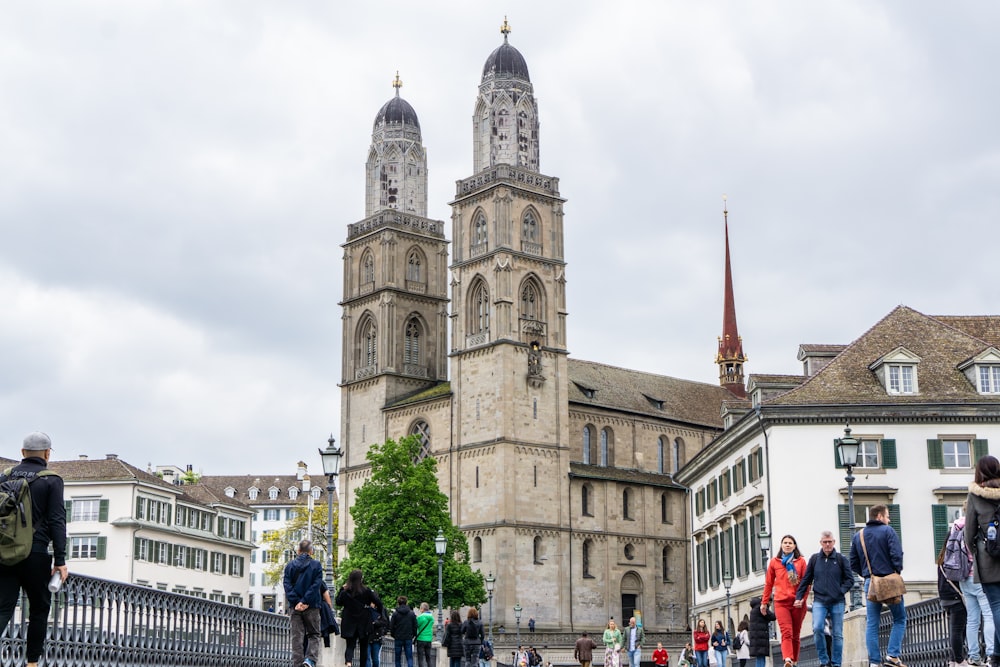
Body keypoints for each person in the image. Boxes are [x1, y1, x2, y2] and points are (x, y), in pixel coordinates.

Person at [0, 432, 67, 667]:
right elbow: (58, 520)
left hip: (5, 553)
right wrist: (60, 560)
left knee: (3, 606)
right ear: (47, 454)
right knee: (39, 607)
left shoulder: (4, 477)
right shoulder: (51, 480)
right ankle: (31, 663)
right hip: (36, 553)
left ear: (22, 453)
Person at [850, 505, 906, 667]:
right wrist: (896, 571)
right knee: (900, 618)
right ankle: (892, 655)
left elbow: (853, 562)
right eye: (887, 516)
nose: (889, 520)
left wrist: (867, 574)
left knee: (872, 623)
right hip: (890, 580)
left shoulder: (858, 536)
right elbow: (897, 554)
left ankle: (874, 662)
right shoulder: (888, 531)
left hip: (871, 582)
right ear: (880, 516)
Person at [794, 531, 853, 667]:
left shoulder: (840, 559)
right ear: (820, 543)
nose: (827, 544)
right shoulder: (815, 559)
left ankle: (836, 663)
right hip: (820, 600)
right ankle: (824, 660)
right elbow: (806, 580)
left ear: (834, 542)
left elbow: (849, 580)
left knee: (837, 633)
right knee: (817, 628)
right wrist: (799, 597)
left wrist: (841, 591)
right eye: (825, 542)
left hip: (837, 601)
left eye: (830, 542)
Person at [967, 456, 1000, 667]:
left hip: (988, 557)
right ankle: (996, 655)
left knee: (996, 605)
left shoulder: (975, 495)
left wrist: (976, 550)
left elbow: (968, 533)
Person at [953, 508, 996, 666]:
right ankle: (991, 653)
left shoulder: (956, 526)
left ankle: (974, 656)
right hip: (978, 575)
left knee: (972, 619)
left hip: (963, 577)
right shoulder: (976, 525)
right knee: (989, 615)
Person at [762, 535, 808, 667]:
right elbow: (769, 584)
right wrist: (764, 602)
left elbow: (806, 583)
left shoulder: (801, 562)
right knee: (786, 631)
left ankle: (794, 661)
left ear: (794, 546)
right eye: (785, 543)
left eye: (790, 543)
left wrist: (802, 599)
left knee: (796, 633)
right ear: (781, 545)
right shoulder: (775, 562)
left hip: (797, 603)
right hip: (781, 602)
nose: (787, 545)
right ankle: (787, 659)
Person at [283, 539, 324, 667]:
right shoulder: (316, 565)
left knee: (297, 637)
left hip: (295, 608)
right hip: (312, 606)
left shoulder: (289, 566)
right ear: (311, 551)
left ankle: (297, 663)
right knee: (314, 634)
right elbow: (316, 585)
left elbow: (287, 585)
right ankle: (310, 660)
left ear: (298, 551)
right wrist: (305, 601)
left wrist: (296, 602)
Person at [336, 568, 382, 667]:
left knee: (350, 645)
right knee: (364, 647)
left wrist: (341, 589)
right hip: (364, 622)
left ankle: (348, 662)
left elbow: (338, 602)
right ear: (361, 579)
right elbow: (378, 602)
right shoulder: (367, 591)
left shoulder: (345, 592)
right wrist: (378, 614)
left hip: (349, 622)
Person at [938, 540, 967, 667]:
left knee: (955, 630)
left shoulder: (942, 557)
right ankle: (959, 660)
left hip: (945, 598)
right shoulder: (954, 557)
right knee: (958, 630)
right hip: (955, 597)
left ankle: (953, 659)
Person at [389, 595, 418, 667]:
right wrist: (413, 635)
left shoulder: (395, 614)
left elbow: (391, 626)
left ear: (398, 603)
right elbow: (415, 626)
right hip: (408, 637)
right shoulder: (411, 613)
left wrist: (394, 635)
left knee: (397, 658)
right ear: (406, 602)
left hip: (398, 637)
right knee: (409, 657)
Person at [748, 597, 775, 667]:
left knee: (759, 657)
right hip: (761, 636)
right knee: (761, 657)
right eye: (770, 603)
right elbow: (772, 616)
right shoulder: (762, 607)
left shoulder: (754, 608)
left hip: (756, 636)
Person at [369, 596, 390, 667]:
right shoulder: (367, 610)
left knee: (374, 659)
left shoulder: (381, 610)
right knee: (370, 658)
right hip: (373, 636)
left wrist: (375, 623)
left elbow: (385, 622)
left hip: (375, 636)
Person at [415, 602, 435, 667]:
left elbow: (416, 626)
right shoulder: (432, 618)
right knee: (428, 657)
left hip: (421, 638)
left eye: (420, 608)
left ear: (422, 609)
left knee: (420, 658)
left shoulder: (420, 617)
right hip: (429, 639)